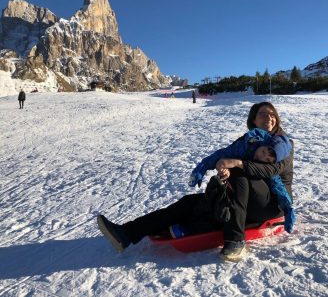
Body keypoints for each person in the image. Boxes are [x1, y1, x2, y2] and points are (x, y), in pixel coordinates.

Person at [97, 102, 294, 260]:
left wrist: (236, 164)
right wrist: (220, 168)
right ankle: (126, 233)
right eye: (262, 114)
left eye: (272, 114)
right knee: (189, 203)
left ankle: (235, 240)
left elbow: (271, 169)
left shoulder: (283, 143)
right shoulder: (246, 142)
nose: (268, 117)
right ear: (253, 120)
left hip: (271, 203)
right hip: (244, 200)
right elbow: (224, 155)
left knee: (238, 172)